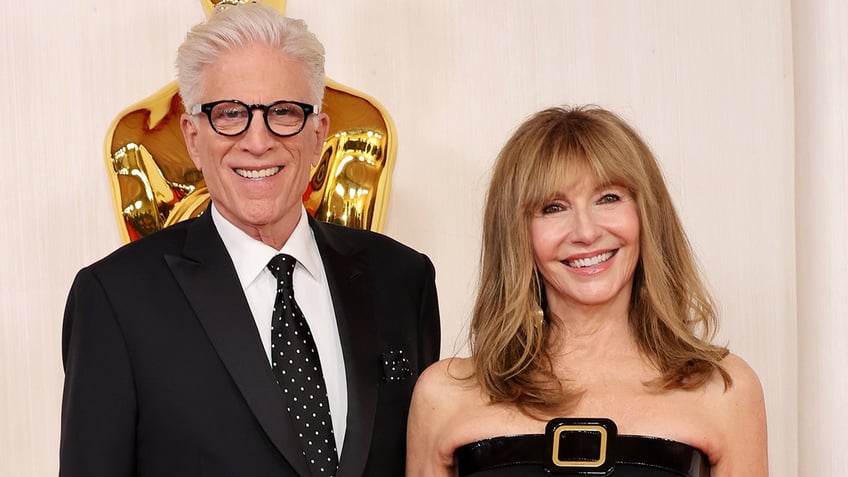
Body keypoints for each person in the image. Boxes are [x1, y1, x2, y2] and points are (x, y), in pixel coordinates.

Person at [60, 4, 440, 477]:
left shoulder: (404, 280)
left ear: (318, 134)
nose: (257, 141)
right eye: (230, 114)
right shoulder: (115, 298)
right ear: (193, 137)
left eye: (283, 112)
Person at [407, 105, 767, 476]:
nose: (586, 231)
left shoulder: (725, 389)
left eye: (608, 198)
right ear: (515, 235)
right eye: (553, 207)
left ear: (647, 215)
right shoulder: (444, 396)